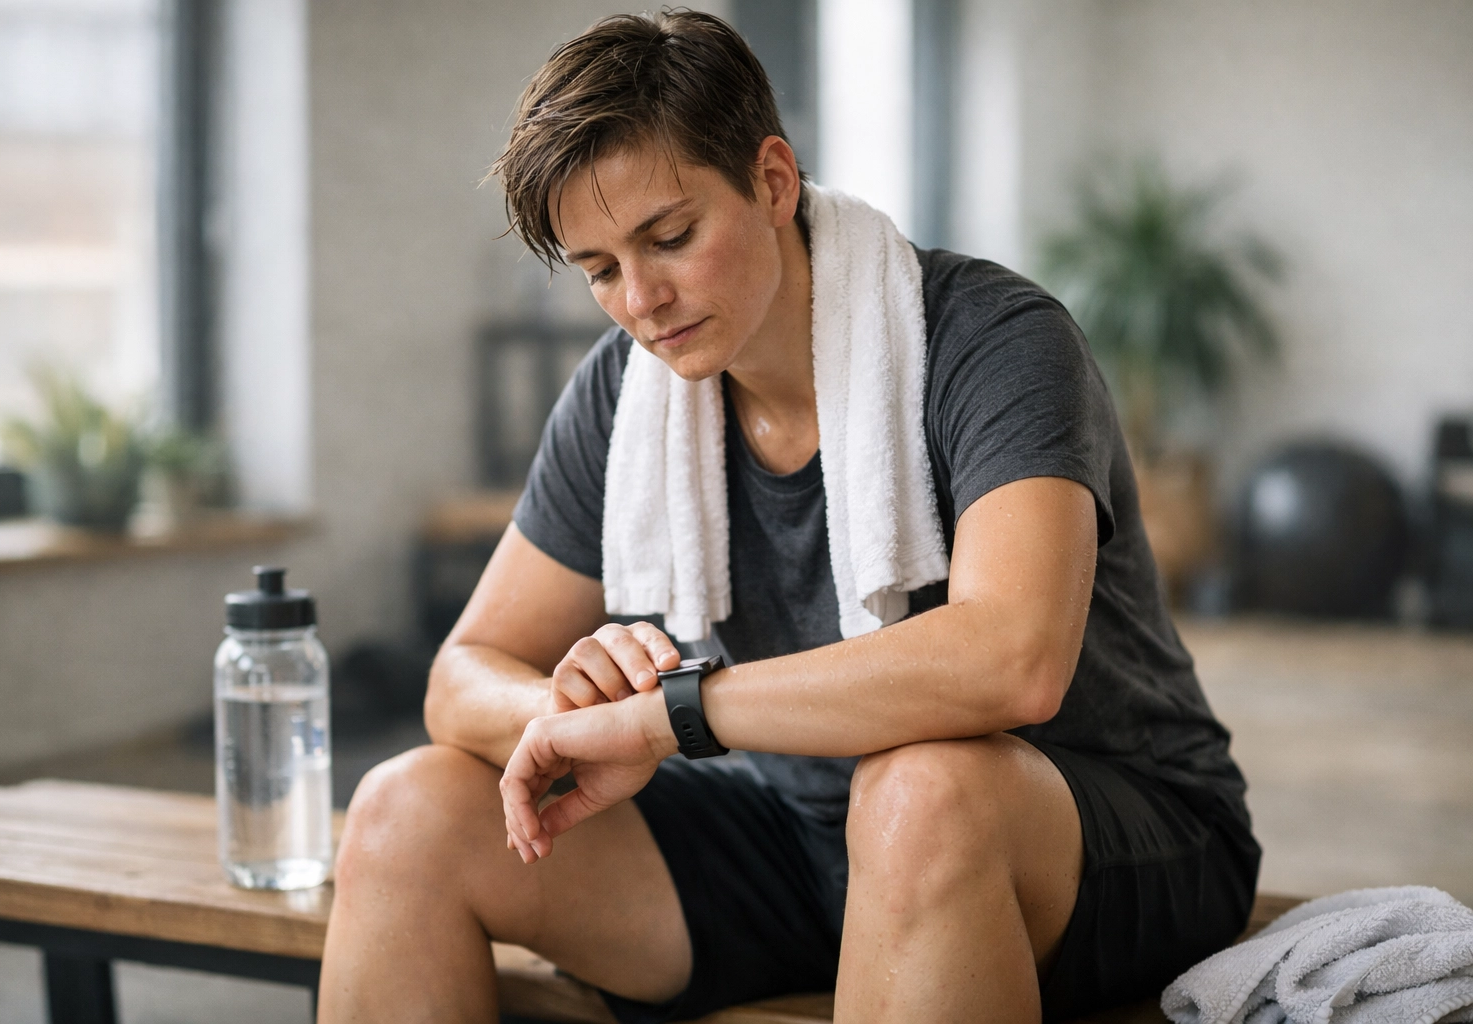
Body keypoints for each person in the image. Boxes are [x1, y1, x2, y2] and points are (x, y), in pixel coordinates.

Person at [316, 11, 1259, 1024]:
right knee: (405, 810)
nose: (641, 301)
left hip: (1106, 827)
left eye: (670, 238)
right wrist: (575, 710)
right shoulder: (625, 396)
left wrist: (675, 712)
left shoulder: (993, 340)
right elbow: (460, 679)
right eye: (600, 269)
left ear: (771, 181)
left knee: (923, 791)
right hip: (795, 828)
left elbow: (1011, 660)